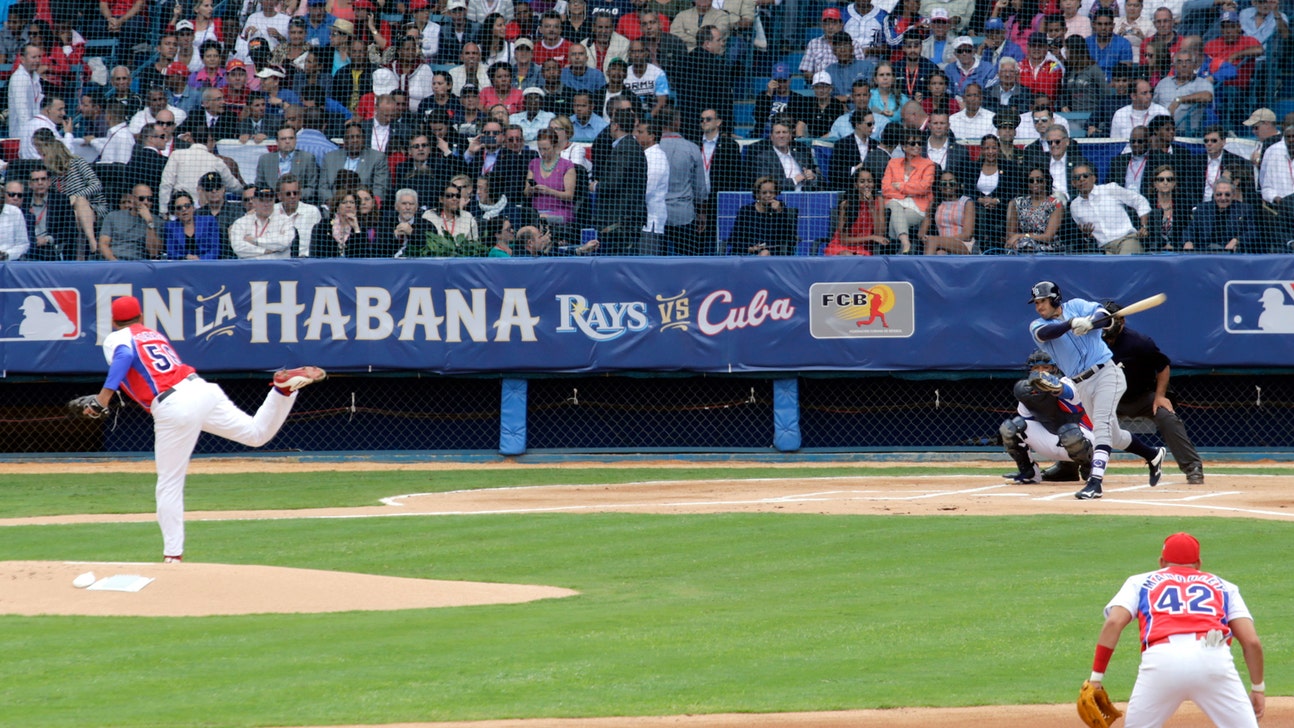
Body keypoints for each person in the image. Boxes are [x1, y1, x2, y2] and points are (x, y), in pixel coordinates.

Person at [82, 295, 325, 563]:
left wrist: (102, 399)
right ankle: (282, 391)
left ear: (113, 321)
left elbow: (125, 356)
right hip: (201, 389)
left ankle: (172, 556)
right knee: (256, 434)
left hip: (173, 404)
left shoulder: (116, 338)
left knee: (169, 483)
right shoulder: (153, 334)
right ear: (141, 317)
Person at [1086, 532, 1264, 726]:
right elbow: (1251, 642)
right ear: (1198, 563)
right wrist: (1258, 688)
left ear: (1161, 562)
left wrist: (1096, 678)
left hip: (1162, 660)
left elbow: (1113, 623)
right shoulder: (1225, 586)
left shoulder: (1139, 582)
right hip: (1212, 659)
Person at [1027, 280, 1167, 500]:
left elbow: (1105, 316)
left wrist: (1090, 323)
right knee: (1114, 436)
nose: (1039, 307)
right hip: (1081, 383)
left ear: (1055, 299)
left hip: (1106, 373)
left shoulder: (1077, 305)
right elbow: (1046, 333)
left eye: (1043, 301)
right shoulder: (1037, 325)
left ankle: (1095, 483)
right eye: (1036, 303)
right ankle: (1153, 454)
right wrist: (1071, 324)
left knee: (1101, 427)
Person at [1098, 301, 1205, 485]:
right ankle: (1073, 466)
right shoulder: (1093, 343)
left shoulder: (1139, 342)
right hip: (1110, 398)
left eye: (1111, 321)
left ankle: (1192, 466)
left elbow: (1163, 366)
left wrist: (1160, 396)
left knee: (1167, 417)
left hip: (1142, 396)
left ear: (1122, 321)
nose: (1107, 326)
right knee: (1081, 419)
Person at [1000, 350, 1094, 484]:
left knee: (1069, 432)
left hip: (1087, 440)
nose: (1041, 372)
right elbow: (1026, 423)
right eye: (1036, 368)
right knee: (1011, 427)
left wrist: (1056, 387)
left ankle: (1092, 470)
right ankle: (1029, 472)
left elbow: (1068, 392)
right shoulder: (1028, 393)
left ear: (1055, 369)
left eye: (1045, 368)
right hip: (1054, 440)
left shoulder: (1068, 382)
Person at [34, 128, 109, 261]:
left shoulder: (77, 162)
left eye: (44, 155)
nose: (42, 158)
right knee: (73, 215)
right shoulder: (52, 176)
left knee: (80, 202)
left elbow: (96, 185)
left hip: (94, 207)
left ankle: (91, 244)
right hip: (69, 211)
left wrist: (76, 196)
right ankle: (84, 253)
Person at [593, 108, 648, 255]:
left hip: (621, 221)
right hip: (625, 220)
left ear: (616, 125)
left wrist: (596, 186)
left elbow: (614, 182)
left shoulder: (625, 148)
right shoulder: (629, 145)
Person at [1069, 162, 1150, 255]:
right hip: (1102, 248)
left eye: (1085, 176)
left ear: (1093, 178)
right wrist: (1087, 235)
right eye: (1077, 177)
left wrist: (1144, 226)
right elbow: (1086, 234)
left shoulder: (1110, 189)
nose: (1082, 179)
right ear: (1073, 183)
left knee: (1123, 261)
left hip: (1126, 240)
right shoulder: (1074, 206)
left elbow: (1140, 201)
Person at [882, 130, 935, 254]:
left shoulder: (928, 164)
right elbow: (885, 188)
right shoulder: (893, 163)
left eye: (919, 143)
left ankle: (897, 251)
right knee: (895, 205)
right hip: (894, 202)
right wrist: (910, 191)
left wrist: (900, 186)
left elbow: (923, 188)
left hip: (917, 206)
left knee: (895, 221)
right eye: (912, 143)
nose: (917, 146)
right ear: (904, 146)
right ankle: (906, 243)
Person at [320, 121, 392, 203]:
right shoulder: (330, 158)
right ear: (344, 140)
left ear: (364, 139)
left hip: (363, 205)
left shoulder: (377, 158)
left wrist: (365, 204)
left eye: (358, 137)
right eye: (351, 137)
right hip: (334, 204)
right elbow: (323, 187)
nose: (355, 140)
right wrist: (334, 203)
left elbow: (379, 189)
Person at [728, 176, 799, 255]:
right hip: (747, 253)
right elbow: (734, 238)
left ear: (776, 193)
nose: (768, 195)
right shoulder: (746, 211)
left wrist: (779, 213)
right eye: (764, 193)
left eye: (771, 192)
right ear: (757, 194)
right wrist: (751, 249)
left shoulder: (782, 210)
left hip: (773, 253)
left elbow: (790, 239)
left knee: (765, 253)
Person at [825, 167, 887, 255]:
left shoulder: (879, 201)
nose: (866, 185)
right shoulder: (846, 204)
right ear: (856, 185)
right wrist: (871, 237)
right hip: (841, 247)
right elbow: (843, 240)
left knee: (858, 257)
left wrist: (871, 207)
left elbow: (880, 233)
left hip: (863, 248)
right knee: (847, 255)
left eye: (870, 181)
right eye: (862, 182)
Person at [1181, 179, 1252, 253]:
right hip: (1204, 252)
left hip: (1230, 253)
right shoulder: (1203, 209)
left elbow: (1252, 232)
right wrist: (1188, 241)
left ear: (1233, 195)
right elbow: (1190, 230)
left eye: (1227, 194)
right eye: (1219, 194)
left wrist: (1236, 240)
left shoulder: (1244, 209)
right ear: (1214, 195)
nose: (1223, 198)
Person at [971, 134, 1015, 253]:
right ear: (982, 149)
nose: (990, 152)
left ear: (998, 149)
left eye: (994, 148)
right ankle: (980, 246)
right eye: (987, 148)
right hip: (978, 208)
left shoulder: (1009, 167)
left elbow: (1012, 190)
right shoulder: (973, 167)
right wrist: (980, 200)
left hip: (1001, 209)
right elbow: (968, 190)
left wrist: (996, 200)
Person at [525, 128, 577, 228]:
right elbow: (526, 193)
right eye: (540, 149)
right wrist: (532, 189)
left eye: (546, 149)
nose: (542, 153)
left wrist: (549, 191)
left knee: (541, 219)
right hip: (536, 211)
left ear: (555, 146)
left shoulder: (567, 165)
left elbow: (569, 195)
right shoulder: (534, 163)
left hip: (560, 212)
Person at [751, 118, 820, 192]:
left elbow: (820, 179)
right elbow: (765, 185)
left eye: (784, 132)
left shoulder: (802, 154)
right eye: (777, 133)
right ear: (771, 137)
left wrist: (814, 177)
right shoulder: (763, 158)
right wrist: (794, 180)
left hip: (807, 196)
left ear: (790, 136)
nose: (781, 136)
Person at [99, 184, 163, 261]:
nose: (146, 202)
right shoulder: (113, 216)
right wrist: (115, 262)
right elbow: (103, 244)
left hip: (139, 262)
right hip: (113, 260)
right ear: (132, 198)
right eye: (141, 198)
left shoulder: (157, 221)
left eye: (149, 199)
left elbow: (154, 252)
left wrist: (149, 221)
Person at [230, 186, 298, 258]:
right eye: (262, 200)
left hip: (277, 264)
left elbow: (284, 243)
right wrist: (264, 251)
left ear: (274, 201)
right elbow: (238, 247)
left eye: (270, 200)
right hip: (250, 264)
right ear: (254, 202)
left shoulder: (285, 221)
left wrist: (255, 241)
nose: (266, 204)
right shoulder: (241, 223)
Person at [919, 170, 975, 254]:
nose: (948, 186)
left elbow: (967, 234)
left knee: (933, 241)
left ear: (957, 185)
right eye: (944, 183)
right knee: (939, 253)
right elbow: (922, 231)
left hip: (963, 244)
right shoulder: (935, 203)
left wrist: (941, 240)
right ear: (939, 187)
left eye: (951, 183)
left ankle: (924, 263)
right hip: (940, 245)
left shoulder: (966, 202)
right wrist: (923, 237)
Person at [164, 191, 222, 260]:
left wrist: (200, 259)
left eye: (187, 206)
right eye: (179, 208)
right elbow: (171, 252)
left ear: (193, 207)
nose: (184, 209)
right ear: (175, 212)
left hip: (206, 263)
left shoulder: (209, 221)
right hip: (183, 264)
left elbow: (215, 249)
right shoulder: (170, 227)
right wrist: (185, 257)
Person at [274, 174, 322, 255]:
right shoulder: (271, 212)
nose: (292, 196)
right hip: (278, 259)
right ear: (279, 196)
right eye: (288, 194)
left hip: (306, 260)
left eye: (295, 193)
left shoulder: (312, 212)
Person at [1145, 164, 1187, 252]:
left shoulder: (1182, 206)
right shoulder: (1147, 205)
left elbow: (1185, 232)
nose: (1165, 182)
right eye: (1161, 180)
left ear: (1174, 183)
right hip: (1152, 251)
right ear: (1155, 184)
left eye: (1169, 179)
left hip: (1177, 250)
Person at [0, 180, 32, 261]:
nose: (15, 198)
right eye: (11, 194)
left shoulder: (15, 212)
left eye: (1, 197)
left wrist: (6, 255)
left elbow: (23, 244)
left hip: (9, 262)